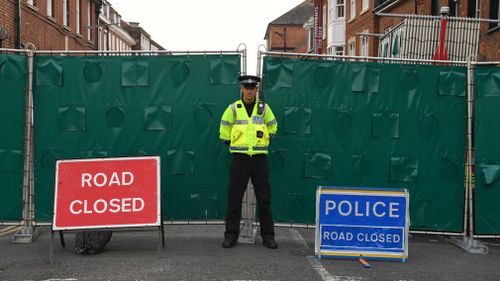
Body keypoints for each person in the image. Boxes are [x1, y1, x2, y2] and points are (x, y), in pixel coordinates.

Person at [219, 74, 278, 249]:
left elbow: (273, 126)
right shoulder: (233, 108)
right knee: (234, 198)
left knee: (264, 199)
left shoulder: (264, 108)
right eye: (247, 88)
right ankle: (231, 235)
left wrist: (267, 139)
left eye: (253, 88)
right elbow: (224, 128)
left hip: (259, 159)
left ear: (256, 90)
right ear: (241, 89)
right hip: (240, 158)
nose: (250, 91)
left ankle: (268, 236)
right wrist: (230, 143)